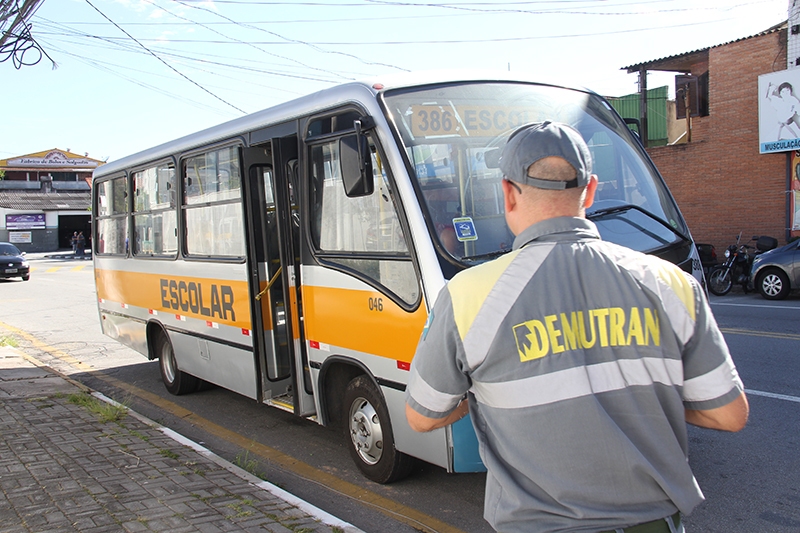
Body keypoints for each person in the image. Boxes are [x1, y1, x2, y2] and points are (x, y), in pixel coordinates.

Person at [405, 121, 748, 533]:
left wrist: (484, 398)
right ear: (590, 190)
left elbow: (422, 417)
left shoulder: (468, 295)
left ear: (508, 193)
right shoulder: (670, 283)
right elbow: (729, 415)